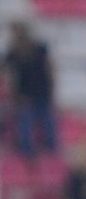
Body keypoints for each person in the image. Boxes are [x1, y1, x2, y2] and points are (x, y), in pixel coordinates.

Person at [4, 21, 57, 157]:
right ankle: (28, 155)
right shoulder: (13, 53)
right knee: (25, 126)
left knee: (48, 125)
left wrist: (52, 90)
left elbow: (50, 69)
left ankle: (52, 153)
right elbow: (8, 74)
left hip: (42, 94)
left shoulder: (39, 48)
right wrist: (14, 96)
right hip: (25, 98)